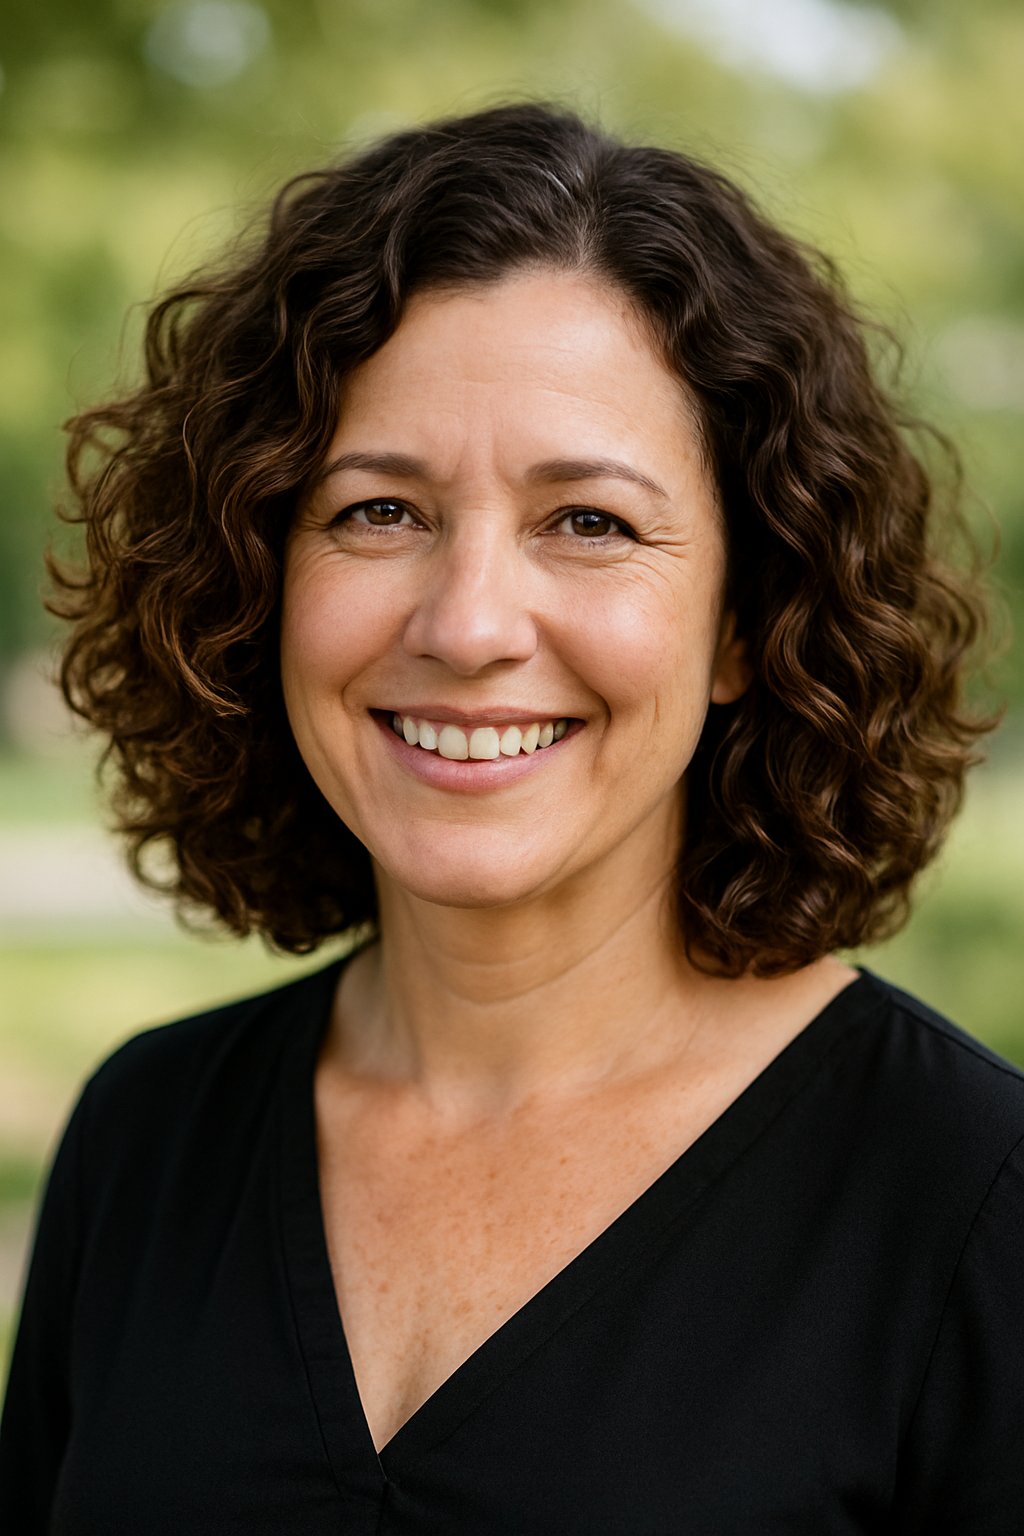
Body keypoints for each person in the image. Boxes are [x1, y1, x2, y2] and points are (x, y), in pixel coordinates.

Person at [1, 101, 1021, 1534]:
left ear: (745, 621)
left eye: (588, 522)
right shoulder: (148, 1137)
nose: (469, 623)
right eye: (380, 511)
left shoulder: (970, 1195)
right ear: (258, 580)